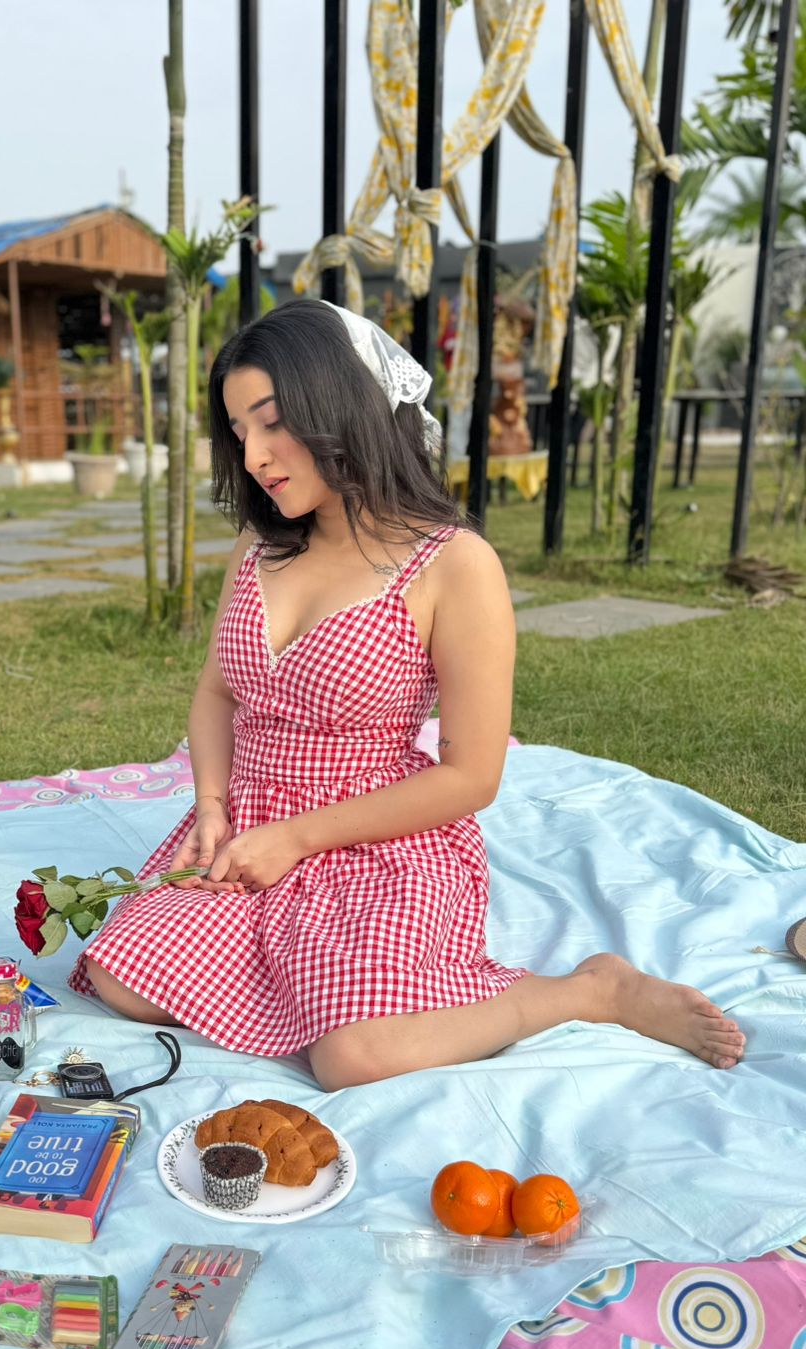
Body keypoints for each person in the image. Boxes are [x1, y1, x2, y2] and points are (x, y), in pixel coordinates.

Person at [68, 299, 746, 1089]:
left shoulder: (453, 565)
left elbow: (472, 777)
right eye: (239, 431)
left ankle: (590, 991)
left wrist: (299, 839)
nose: (253, 456)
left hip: (378, 841)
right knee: (122, 979)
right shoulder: (260, 545)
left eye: (272, 422)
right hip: (250, 827)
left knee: (354, 1057)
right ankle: (303, 986)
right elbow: (218, 695)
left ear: (341, 406)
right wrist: (214, 807)